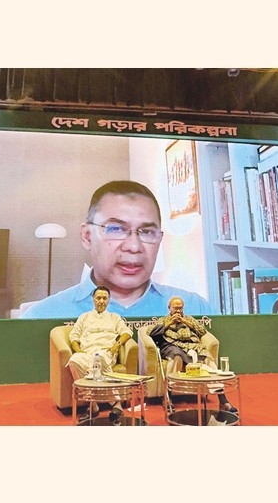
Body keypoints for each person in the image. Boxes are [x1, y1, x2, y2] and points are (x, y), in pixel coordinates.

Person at [22, 181, 211, 318]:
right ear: (87, 236)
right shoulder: (42, 317)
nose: (134, 247)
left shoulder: (195, 309)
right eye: (116, 229)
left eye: (146, 232)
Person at [147, 296, 237, 413]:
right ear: (169, 308)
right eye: (175, 308)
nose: (178, 311)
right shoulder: (163, 320)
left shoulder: (189, 319)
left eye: (180, 308)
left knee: (207, 359)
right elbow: (151, 332)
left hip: (192, 346)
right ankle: (167, 397)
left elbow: (202, 331)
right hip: (172, 346)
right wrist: (170, 323)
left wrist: (185, 322)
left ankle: (223, 400)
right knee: (176, 356)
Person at [67, 286, 132, 423]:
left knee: (99, 359)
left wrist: (116, 345)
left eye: (104, 298)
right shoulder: (84, 317)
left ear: (108, 300)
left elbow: (127, 333)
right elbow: (74, 337)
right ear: (93, 300)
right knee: (74, 361)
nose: (101, 301)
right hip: (86, 352)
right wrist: (78, 351)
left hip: (105, 352)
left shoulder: (114, 317)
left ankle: (117, 404)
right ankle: (93, 404)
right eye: (98, 298)